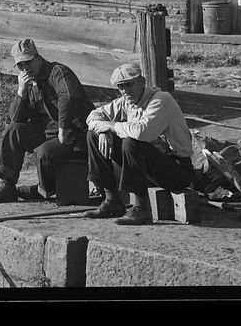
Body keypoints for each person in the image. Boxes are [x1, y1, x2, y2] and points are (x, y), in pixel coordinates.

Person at [0, 39, 95, 203]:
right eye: (20, 65)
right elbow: (15, 119)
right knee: (13, 130)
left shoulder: (58, 72)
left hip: (74, 134)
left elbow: (68, 97)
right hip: (47, 133)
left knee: (43, 152)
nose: (25, 68)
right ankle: (7, 186)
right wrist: (21, 92)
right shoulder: (28, 82)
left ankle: (43, 190)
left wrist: (63, 130)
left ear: (38, 57)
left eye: (28, 62)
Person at [83, 61, 195, 226]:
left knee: (131, 142)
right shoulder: (125, 102)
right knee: (93, 135)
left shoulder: (160, 100)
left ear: (142, 82)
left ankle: (141, 208)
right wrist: (103, 131)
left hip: (177, 170)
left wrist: (111, 125)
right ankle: (111, 199)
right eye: (121, 87)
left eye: (129, 85)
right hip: (151, 168)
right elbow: (92, 116)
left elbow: (141, 132)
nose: (125, 91)